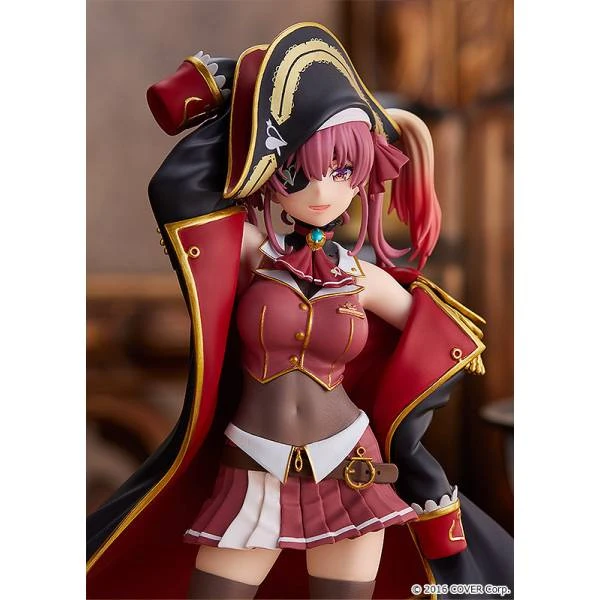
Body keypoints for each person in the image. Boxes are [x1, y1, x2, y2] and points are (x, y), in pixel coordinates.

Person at [86, 22, 513, 600]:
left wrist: (411, 442)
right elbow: (176, 190)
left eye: (342, 171)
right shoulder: (250, 254)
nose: (321, 192)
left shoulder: (362, 279)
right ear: (270, 167)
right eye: (298, 170)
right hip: (253, 465)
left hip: (351, 467)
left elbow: (439, 346)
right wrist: (241, 90)